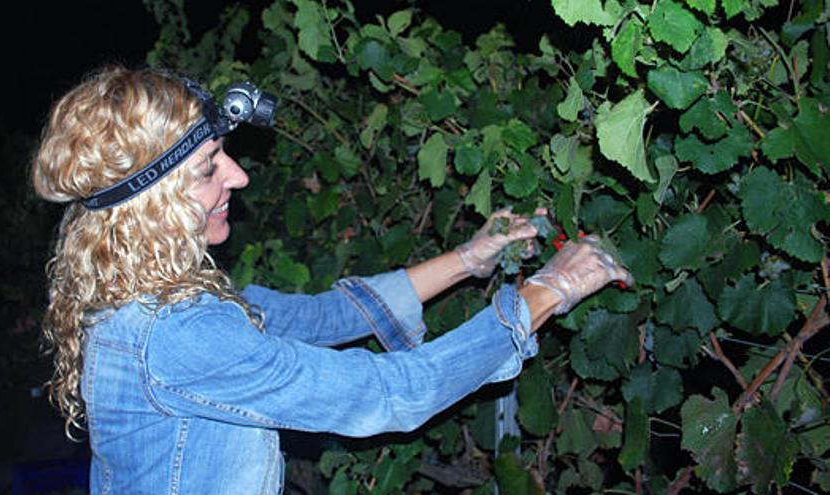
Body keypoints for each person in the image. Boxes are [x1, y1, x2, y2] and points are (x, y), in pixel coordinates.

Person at [31, 66, 632, 494]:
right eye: (209, 167)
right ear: (152, 202)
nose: (238, 177)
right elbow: (388, 394)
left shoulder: (149, 294)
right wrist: (550, 290)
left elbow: (318, 318)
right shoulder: (177, 331)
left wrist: (468, 259)